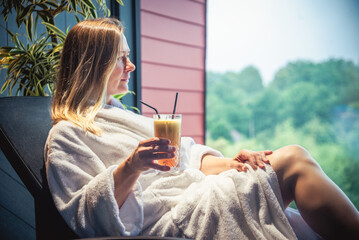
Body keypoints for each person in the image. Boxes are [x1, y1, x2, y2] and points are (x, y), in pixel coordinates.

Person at [45, 17, 359, 240]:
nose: (131, 66)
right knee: (292, 160)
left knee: (287, 160)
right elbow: (84, 215)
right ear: (93, 63)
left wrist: (233, 163)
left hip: (193, 196)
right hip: (173, 220)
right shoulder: (66, 136)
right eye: (121, 58)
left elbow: (188, 157)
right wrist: (131, 167)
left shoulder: (123, 115)